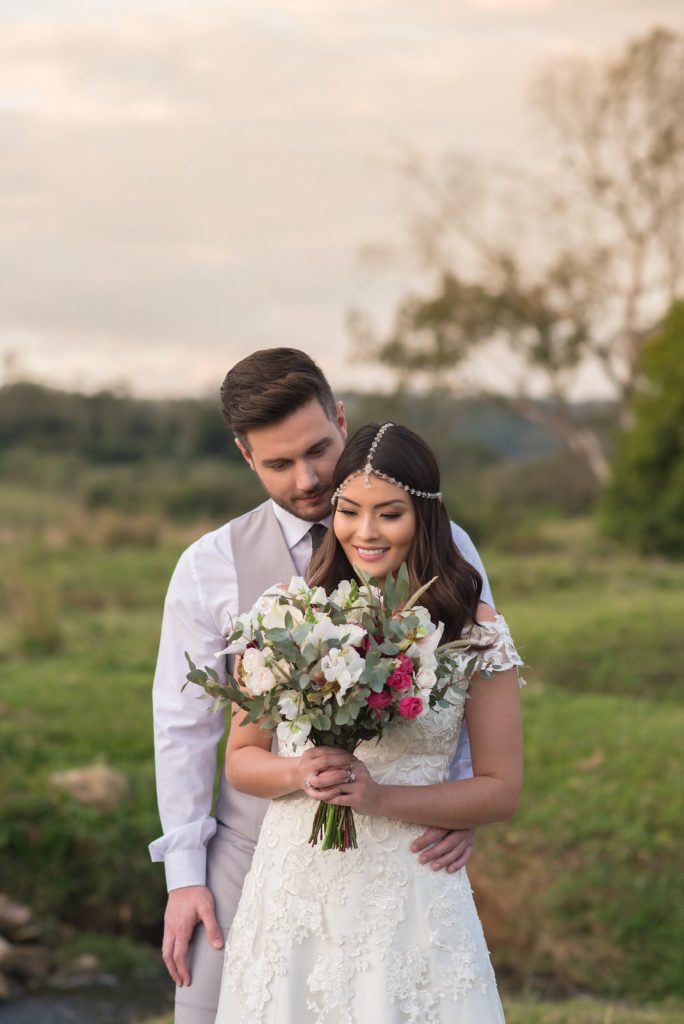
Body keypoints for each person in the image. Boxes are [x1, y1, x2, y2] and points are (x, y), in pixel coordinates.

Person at [149, 350, 494, 1024]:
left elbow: (468, 687)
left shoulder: (445, 548)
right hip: (252, 854)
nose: (307, 478)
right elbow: (184, 726)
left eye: (318, 449)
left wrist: (461, 806)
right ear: (247, 457)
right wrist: (185, 877)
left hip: (402, 856)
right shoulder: (207, 568)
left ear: (341, 420)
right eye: (279, 463)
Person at [213, 422, 523, 1024]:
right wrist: (300, 770)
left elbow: (501, 789)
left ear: (425, 515)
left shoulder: (474, 631)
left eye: (390, 514)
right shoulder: (287, 612)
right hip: (293, 891)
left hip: (410, 891)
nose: (366, 532)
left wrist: (380, 796)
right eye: (349, 511)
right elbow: (242, 760)